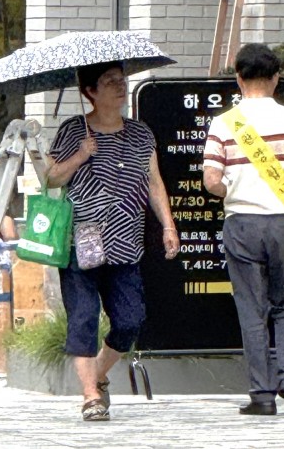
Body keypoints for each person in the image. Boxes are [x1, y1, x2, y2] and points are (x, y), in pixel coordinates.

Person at [46, 61, 179, 422]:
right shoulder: (73, 130)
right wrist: (80, 155)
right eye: (109, 82)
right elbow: (52, 178)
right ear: (90, 91)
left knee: (130, 319)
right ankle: (90, 394)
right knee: (84, 318)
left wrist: (168, 225)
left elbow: (154, 182)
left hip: (126, 242)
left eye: (122, 81)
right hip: (82, 242)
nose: (120, 88)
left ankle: (99, 373)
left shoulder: (140, 134)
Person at [202, 43, 284, 416]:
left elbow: (211, 181)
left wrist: (233, 188)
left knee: (252, 310)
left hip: (242, 223)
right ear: (275, 79)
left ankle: (262, 394)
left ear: (238, 78)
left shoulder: (224, 124)